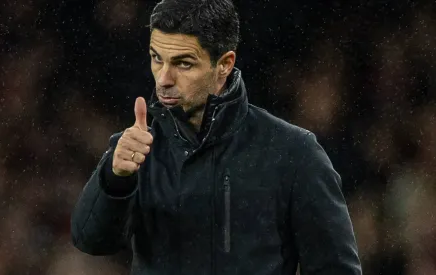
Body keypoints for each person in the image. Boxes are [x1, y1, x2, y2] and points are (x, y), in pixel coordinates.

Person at [71, 0, 362, 274]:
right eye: (157, 59)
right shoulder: (137, 148)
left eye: (183, 63)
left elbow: (335, 268)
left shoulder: (293, 153)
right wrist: (115, 179)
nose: (163, 78)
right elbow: (90, 241)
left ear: (223, 64)